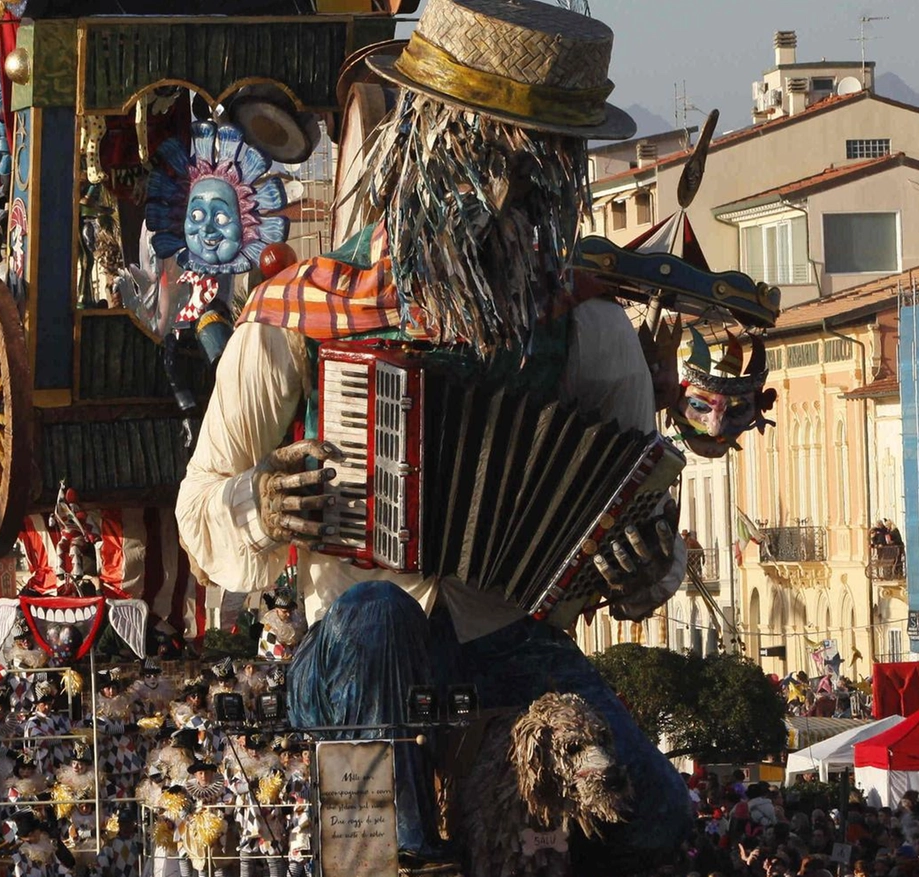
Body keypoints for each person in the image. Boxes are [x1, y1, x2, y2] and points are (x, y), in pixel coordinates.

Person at [176, 0, 690, 864]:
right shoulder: (300, 316)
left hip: (510, 645)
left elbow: (638, 519)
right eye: (486, 164)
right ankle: (400, 859)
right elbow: (200, 509)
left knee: (660, 815)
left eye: (533, 174)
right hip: (349, 657)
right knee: (376, 615)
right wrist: (261, 505)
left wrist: (648, 566)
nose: (502, 196)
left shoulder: (588, 333)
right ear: (427, 148)